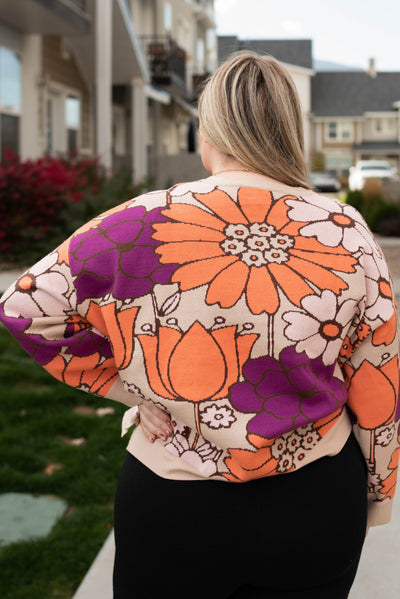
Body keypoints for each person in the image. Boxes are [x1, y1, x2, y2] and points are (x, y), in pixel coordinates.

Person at [1, 51, 399, 598]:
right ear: (290, 131)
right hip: (313, 499)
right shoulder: (344, 230)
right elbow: (378, 374)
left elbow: (25, 307)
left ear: (207, 131)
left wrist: (121, 386)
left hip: (171, 501)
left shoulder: (136, 221)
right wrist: (379, 489)